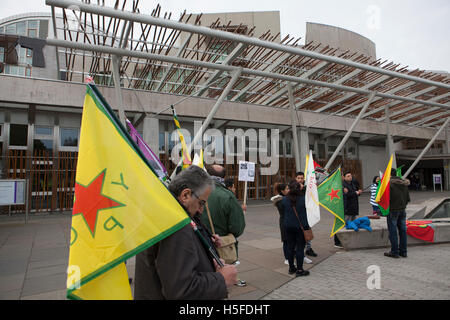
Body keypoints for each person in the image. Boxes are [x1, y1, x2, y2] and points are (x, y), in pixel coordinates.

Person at [134, 165, 237, 300]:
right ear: (185, 195)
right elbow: (182, 290)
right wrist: (221, 279)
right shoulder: (175, 223)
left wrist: (206, 244)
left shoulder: (168, 211)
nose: (201, 210)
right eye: (201, 203)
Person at [200, 165, 246, 286]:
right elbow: (238, 228)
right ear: (223, 177)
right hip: (222, 246)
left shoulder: (196, 192)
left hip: (200, 243)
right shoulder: (227, 195)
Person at [281, 180, 311, 277]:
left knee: (290, 248)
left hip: (288, 227)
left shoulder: (284, 199)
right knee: (300, 248)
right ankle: (300, 269)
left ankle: (291, 268)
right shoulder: (303, 199)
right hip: (300, 227)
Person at [385, 168, 411, 258]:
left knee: (393, 231)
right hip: (402, 210)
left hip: (392, 210)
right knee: (403, 231)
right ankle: (403, 251)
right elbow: (408, 199)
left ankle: (394, 252)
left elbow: (386, 199)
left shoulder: (389, 184)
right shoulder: (404, 184)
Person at [334, 170, 362, 248]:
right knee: (343, 225)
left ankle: (350, 241)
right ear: (344, 177)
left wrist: (358, 192)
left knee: (353, 225)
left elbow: (353, 193)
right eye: (348, 176)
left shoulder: (353, 184)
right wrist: (355, 193)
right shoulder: (342, 185)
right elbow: (346, 195)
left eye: (351, 176)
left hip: (354, 208)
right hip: (346, 209)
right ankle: (337, 242)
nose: (350, 177)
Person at [295, 171, 318, 258]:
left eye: (302, 178)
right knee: (298, 234)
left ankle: (308, 249)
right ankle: (296, 250)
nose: (300, 180)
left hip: (307, 214)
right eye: (299, 178)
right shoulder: (292, 188)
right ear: (296, 178)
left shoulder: (306, 188)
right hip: (297, 215)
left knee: (308, 231)